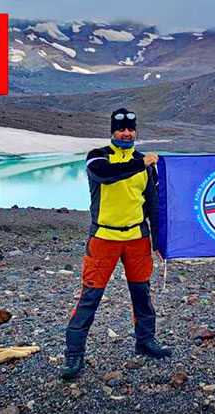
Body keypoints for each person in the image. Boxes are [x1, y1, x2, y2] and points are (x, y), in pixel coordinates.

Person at [60, 108, 170, 380]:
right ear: (112, 131)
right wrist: (141, 163)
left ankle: (145, 341)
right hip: (104, 238)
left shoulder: (144, 164)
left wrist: (159, 239)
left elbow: (153, 205)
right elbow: (107, 174)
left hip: (136, 238)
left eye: (131, 128)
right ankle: (74, 354)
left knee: (142, 294)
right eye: (121, 128)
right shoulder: (97, 157)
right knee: (90, 296)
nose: (126, 133)